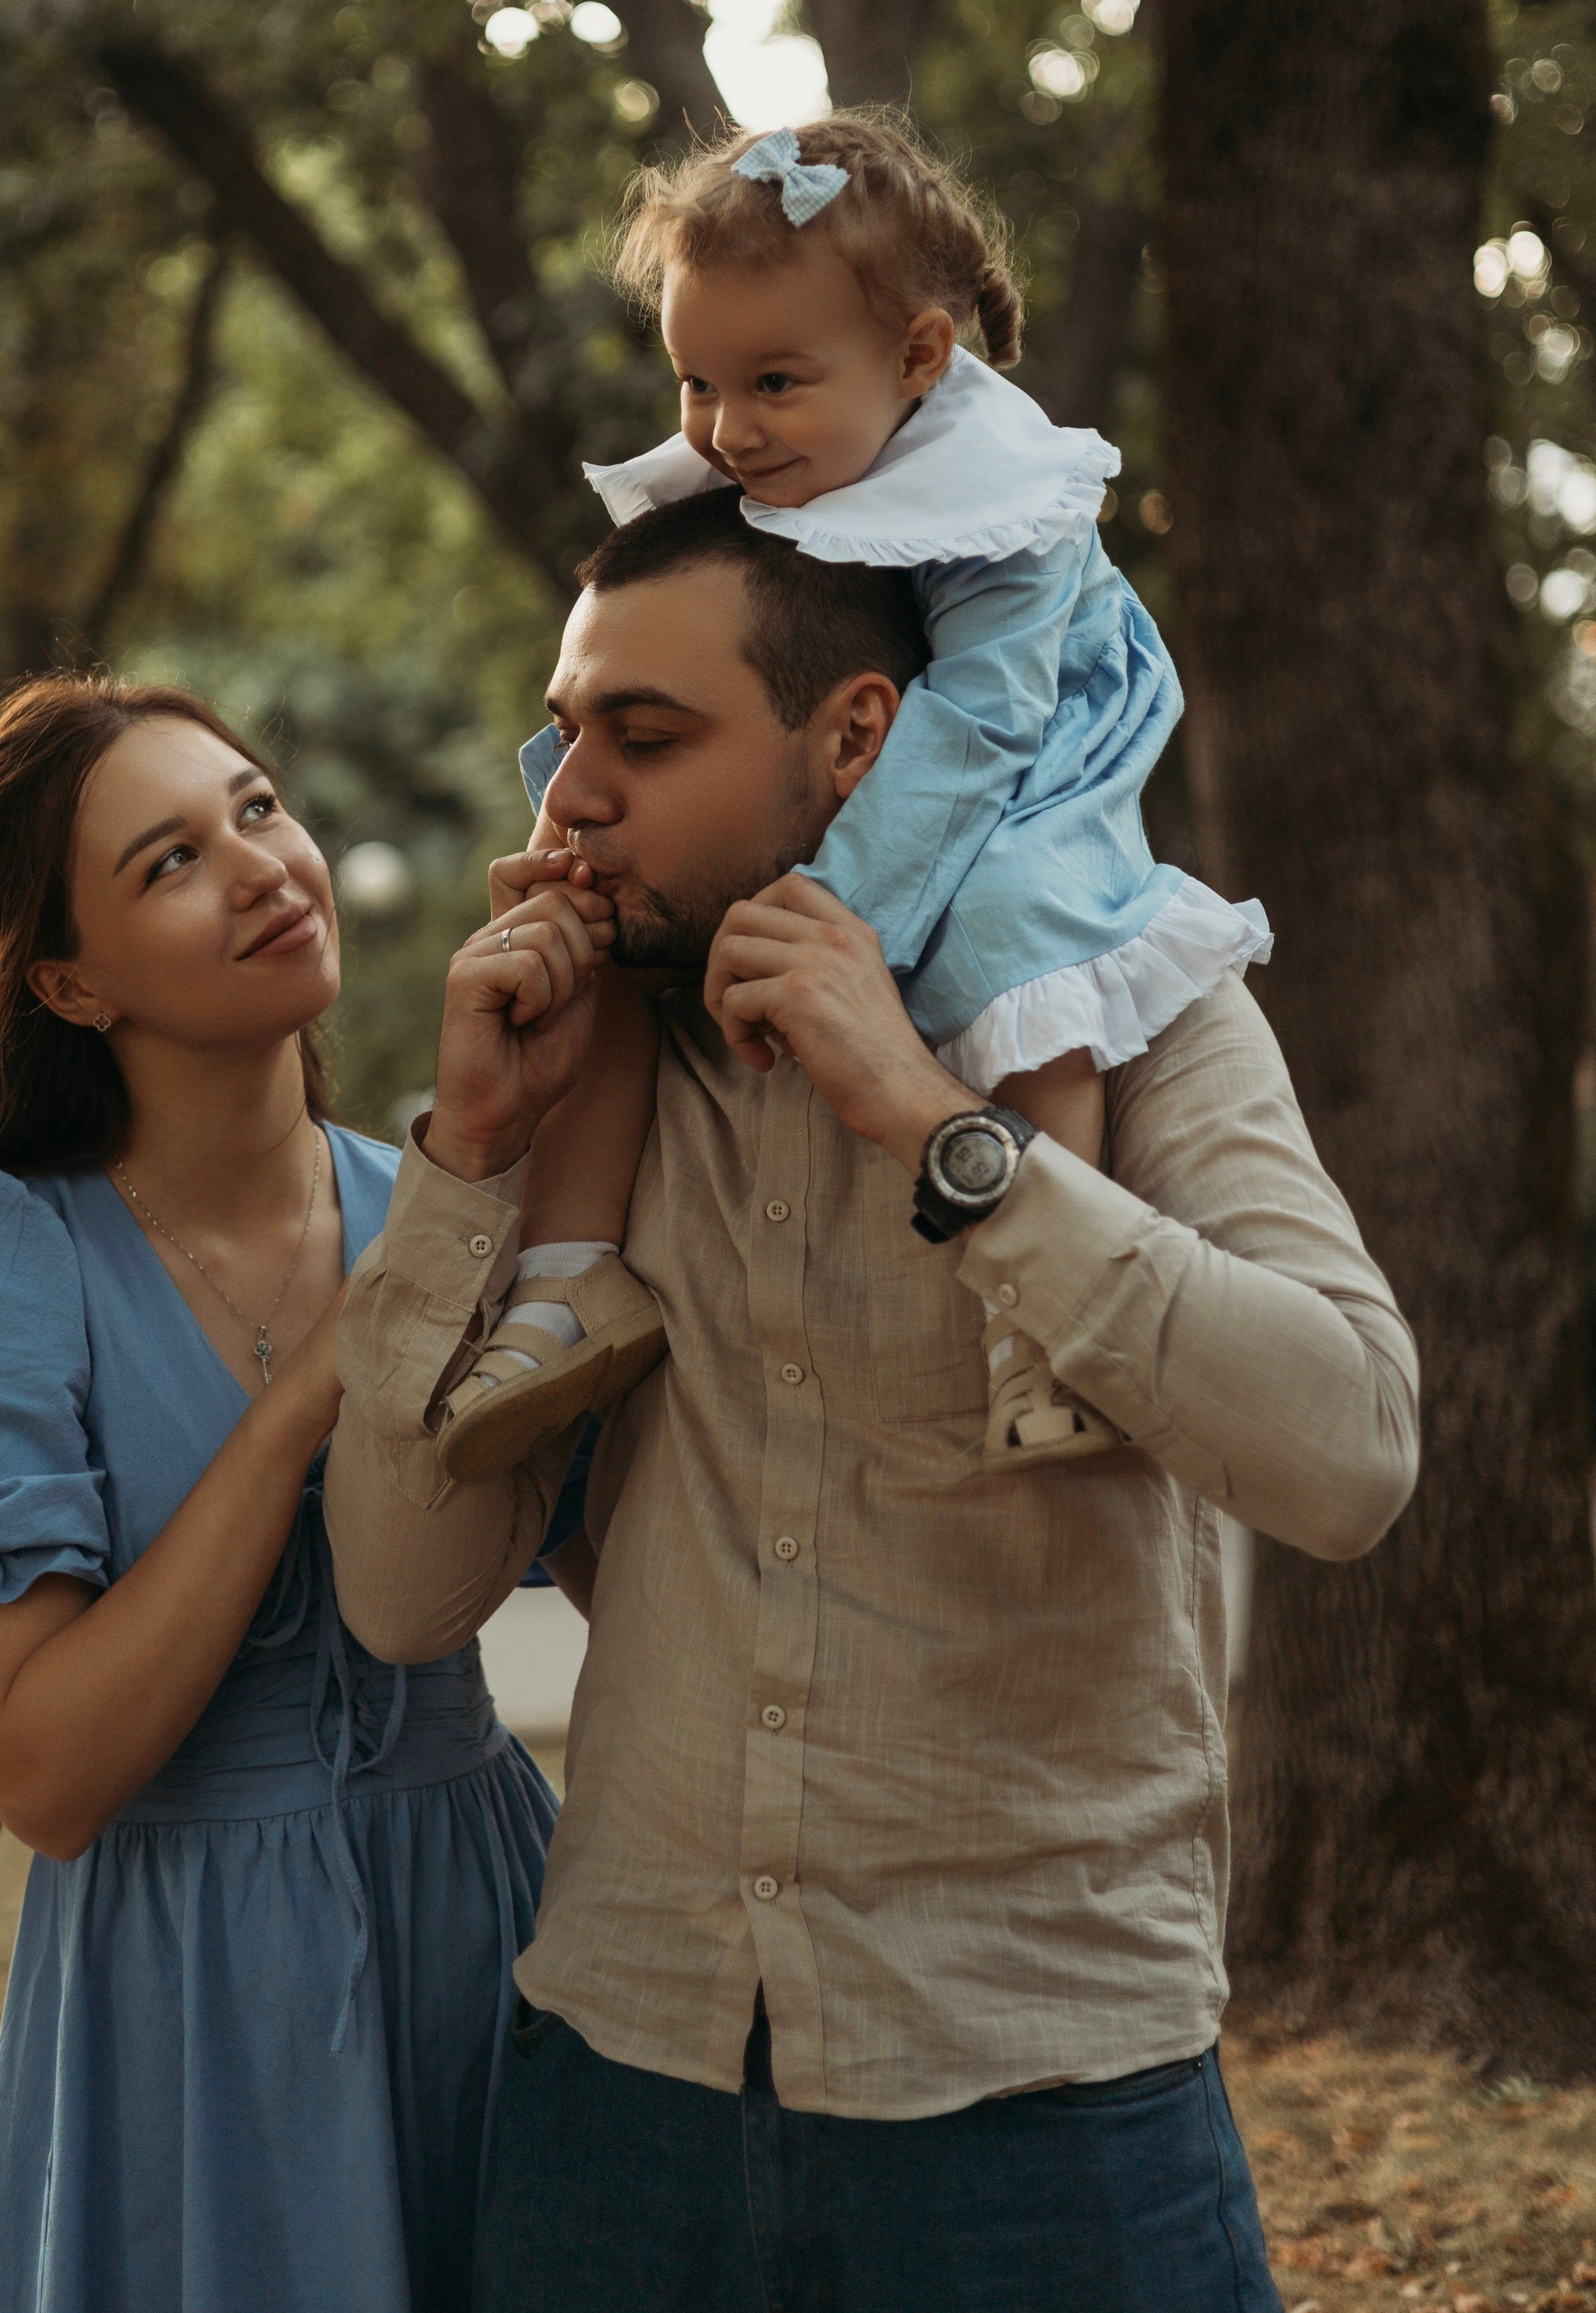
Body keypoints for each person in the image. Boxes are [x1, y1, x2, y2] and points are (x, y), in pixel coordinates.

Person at [321, 493, 1419, 2313]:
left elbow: (1352, 1453)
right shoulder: (586, 1063)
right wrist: (475, 1153)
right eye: (565, 732)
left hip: (1039, 2111)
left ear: (852, 737)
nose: (568, 795)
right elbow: (402, 1594)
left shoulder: (1125, 995)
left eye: (642, 737)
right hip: (621, 2101)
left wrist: (930, 1121)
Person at [0, 676, 567, 2313]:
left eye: (256, 809)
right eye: (168, 861)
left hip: (490, 1932)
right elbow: (49, 1775)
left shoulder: (435, 1202)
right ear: (69, 981)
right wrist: (313, 1387)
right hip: (190, 1997)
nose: (261, 869)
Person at [439, 113, 1270, 1482]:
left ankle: (1042, 1314)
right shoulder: (778, 438)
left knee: (1026, 938)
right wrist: (575, 843)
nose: (726, 428)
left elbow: (982, 721)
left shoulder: (1004, 502)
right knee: (606, 926)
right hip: (892, 735)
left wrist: (841, 918)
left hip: (1030, 752)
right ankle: (566, 1277)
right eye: (696, 383)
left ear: (920, 358)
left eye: (769, 383)